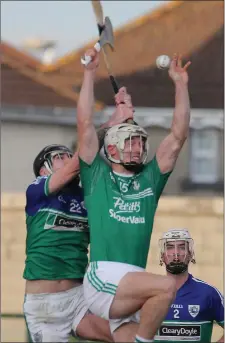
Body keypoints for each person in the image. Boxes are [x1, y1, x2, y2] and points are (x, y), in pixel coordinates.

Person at [77, 45, 191, 343]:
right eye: (130, 142)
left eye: (140, 143)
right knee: (168, 286)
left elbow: (178, 135)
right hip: (104, 278)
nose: (137, 148)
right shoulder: (96, 175)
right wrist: (89, 73)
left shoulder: (150, 180)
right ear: (111, 148)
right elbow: (85, 124)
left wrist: (180, 85)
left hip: (135, 285)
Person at [23, 103, 133, 342]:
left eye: (67, 154)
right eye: (59, 157)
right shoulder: (36, 191)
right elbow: (82, 158)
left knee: (128, 335)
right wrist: (113, 120)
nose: (67, 158)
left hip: (79, 297)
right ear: (44, 170)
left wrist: (124, 128)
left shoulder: (87, 196)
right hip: (45, 306)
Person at [156, 228, 224, 343]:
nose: (176, 253)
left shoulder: (208, 293)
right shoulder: (147, 292)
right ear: (162, 255)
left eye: (182, 247)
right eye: (170, 247)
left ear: (191, 254)